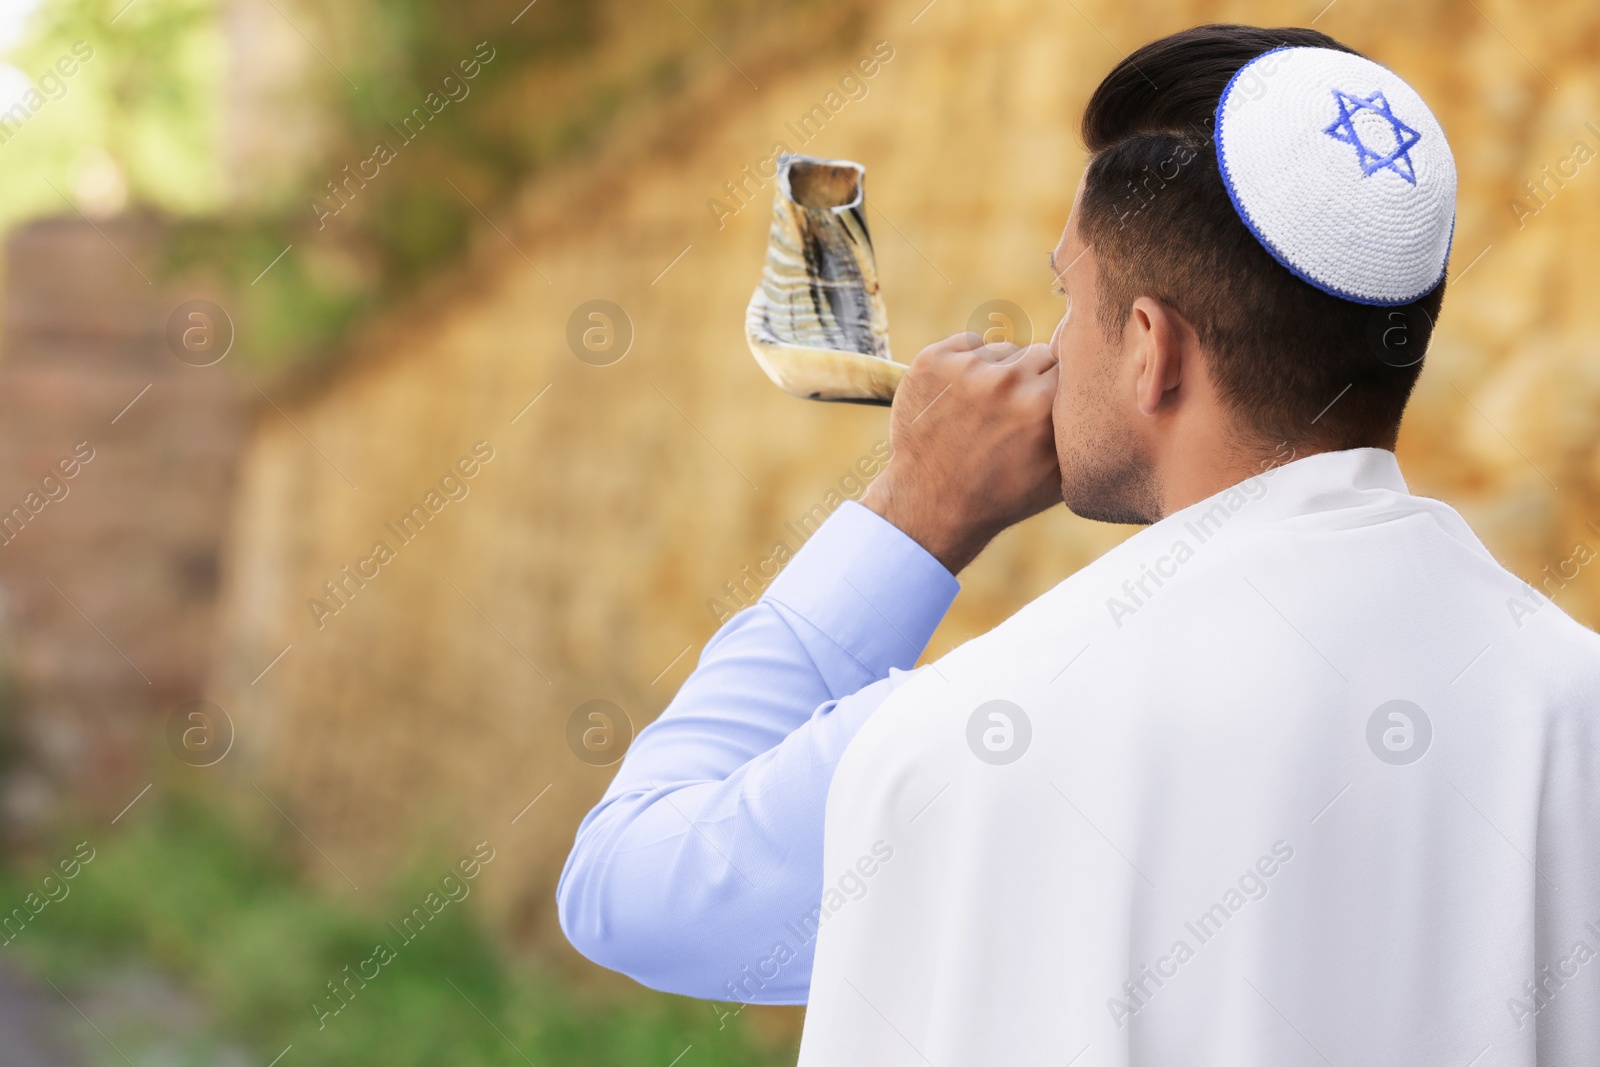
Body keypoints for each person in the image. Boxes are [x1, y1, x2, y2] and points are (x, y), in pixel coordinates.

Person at [558, 23, 1600, 1066]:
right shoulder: (1573, 699)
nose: (1052, 347)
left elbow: (630, 887)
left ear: (1150, 350)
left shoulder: (973, 729)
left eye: (1067, 298)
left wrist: (909, 517)